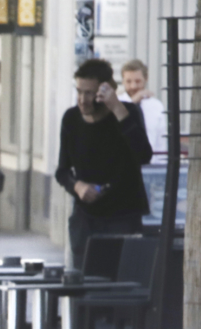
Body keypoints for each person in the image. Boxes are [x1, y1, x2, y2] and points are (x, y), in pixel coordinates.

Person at [56, 58, 153, 272]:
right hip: (85, 219)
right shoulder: (71, 119)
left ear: (105, 90)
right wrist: (78, 186)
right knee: (85, 283)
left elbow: (144, 155)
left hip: (123, 215)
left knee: (122, 281)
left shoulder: (128, 113)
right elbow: (62, 171)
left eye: (89, 93)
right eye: (79, 92)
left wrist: (117, 109)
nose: (82, 100)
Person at [120, 58, 166, 161]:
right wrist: (133, 101)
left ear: (146, 79)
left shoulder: (156, 106)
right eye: (128, 81)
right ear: (123, 81)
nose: (133, 86)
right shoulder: (116, 104)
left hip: (152, 164)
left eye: (138, 81)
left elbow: (161, 142)